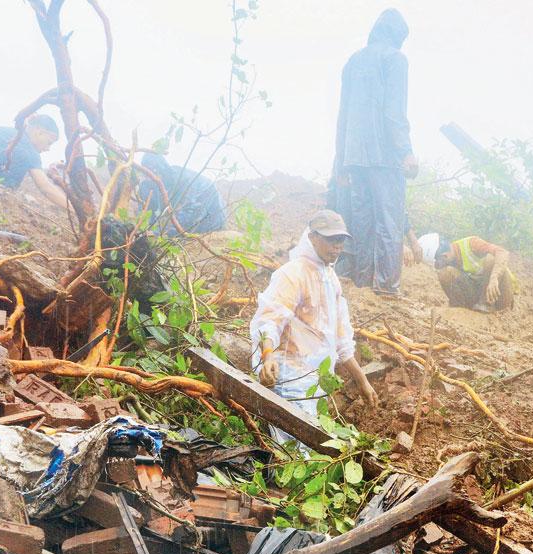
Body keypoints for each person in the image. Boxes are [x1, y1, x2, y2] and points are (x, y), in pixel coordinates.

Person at [250, 211, 378, 443]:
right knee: (294, 450)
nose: (337, 246)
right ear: (312, 237)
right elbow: (270, 319)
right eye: (331, 239)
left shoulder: (330, 279)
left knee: (309, 448)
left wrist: (363, 381)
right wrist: (267, 355)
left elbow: (340, 339)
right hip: (287, 377)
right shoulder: (293, 273)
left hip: (314, 383)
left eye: (340, 240)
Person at [330, 9, 415, 296]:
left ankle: (364, 284)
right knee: (389, 221)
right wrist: (406, 151)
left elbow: (342, 117)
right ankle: (388, 287)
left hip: (354, 157)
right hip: (385, 156)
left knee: (362, 222)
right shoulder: (395, 60)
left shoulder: (353, 61)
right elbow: (394, 112)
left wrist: (341, 162)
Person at [0, 115, 70, 209]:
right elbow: (45, 187)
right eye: (49, 142)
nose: (47, 148)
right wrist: (74, 209)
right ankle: (3, 197)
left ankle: (0, 192)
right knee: (24, 156)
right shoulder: (26, 148)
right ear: (39, 132)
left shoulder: (17, 137)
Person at [137, 153, 226, 235]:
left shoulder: (185, 180)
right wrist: (142, 231)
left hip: (211, 219)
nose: (148, 178)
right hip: (189, 216)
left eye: (152, 173)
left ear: (161, 169)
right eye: (146, 174)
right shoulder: (149, 185)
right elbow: (145, 213)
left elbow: (189, 217)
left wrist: (157, 233)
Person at [435, 236, 515, 311]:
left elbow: (503, 252)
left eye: (438, 263)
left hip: (500, 293)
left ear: (445, 256)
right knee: (444, 274)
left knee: (491, 258)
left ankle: (486, 305)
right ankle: (460, 308)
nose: (438, 266)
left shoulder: (471, 243)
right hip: (478, 292)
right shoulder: (451, 258)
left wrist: (494, 278)